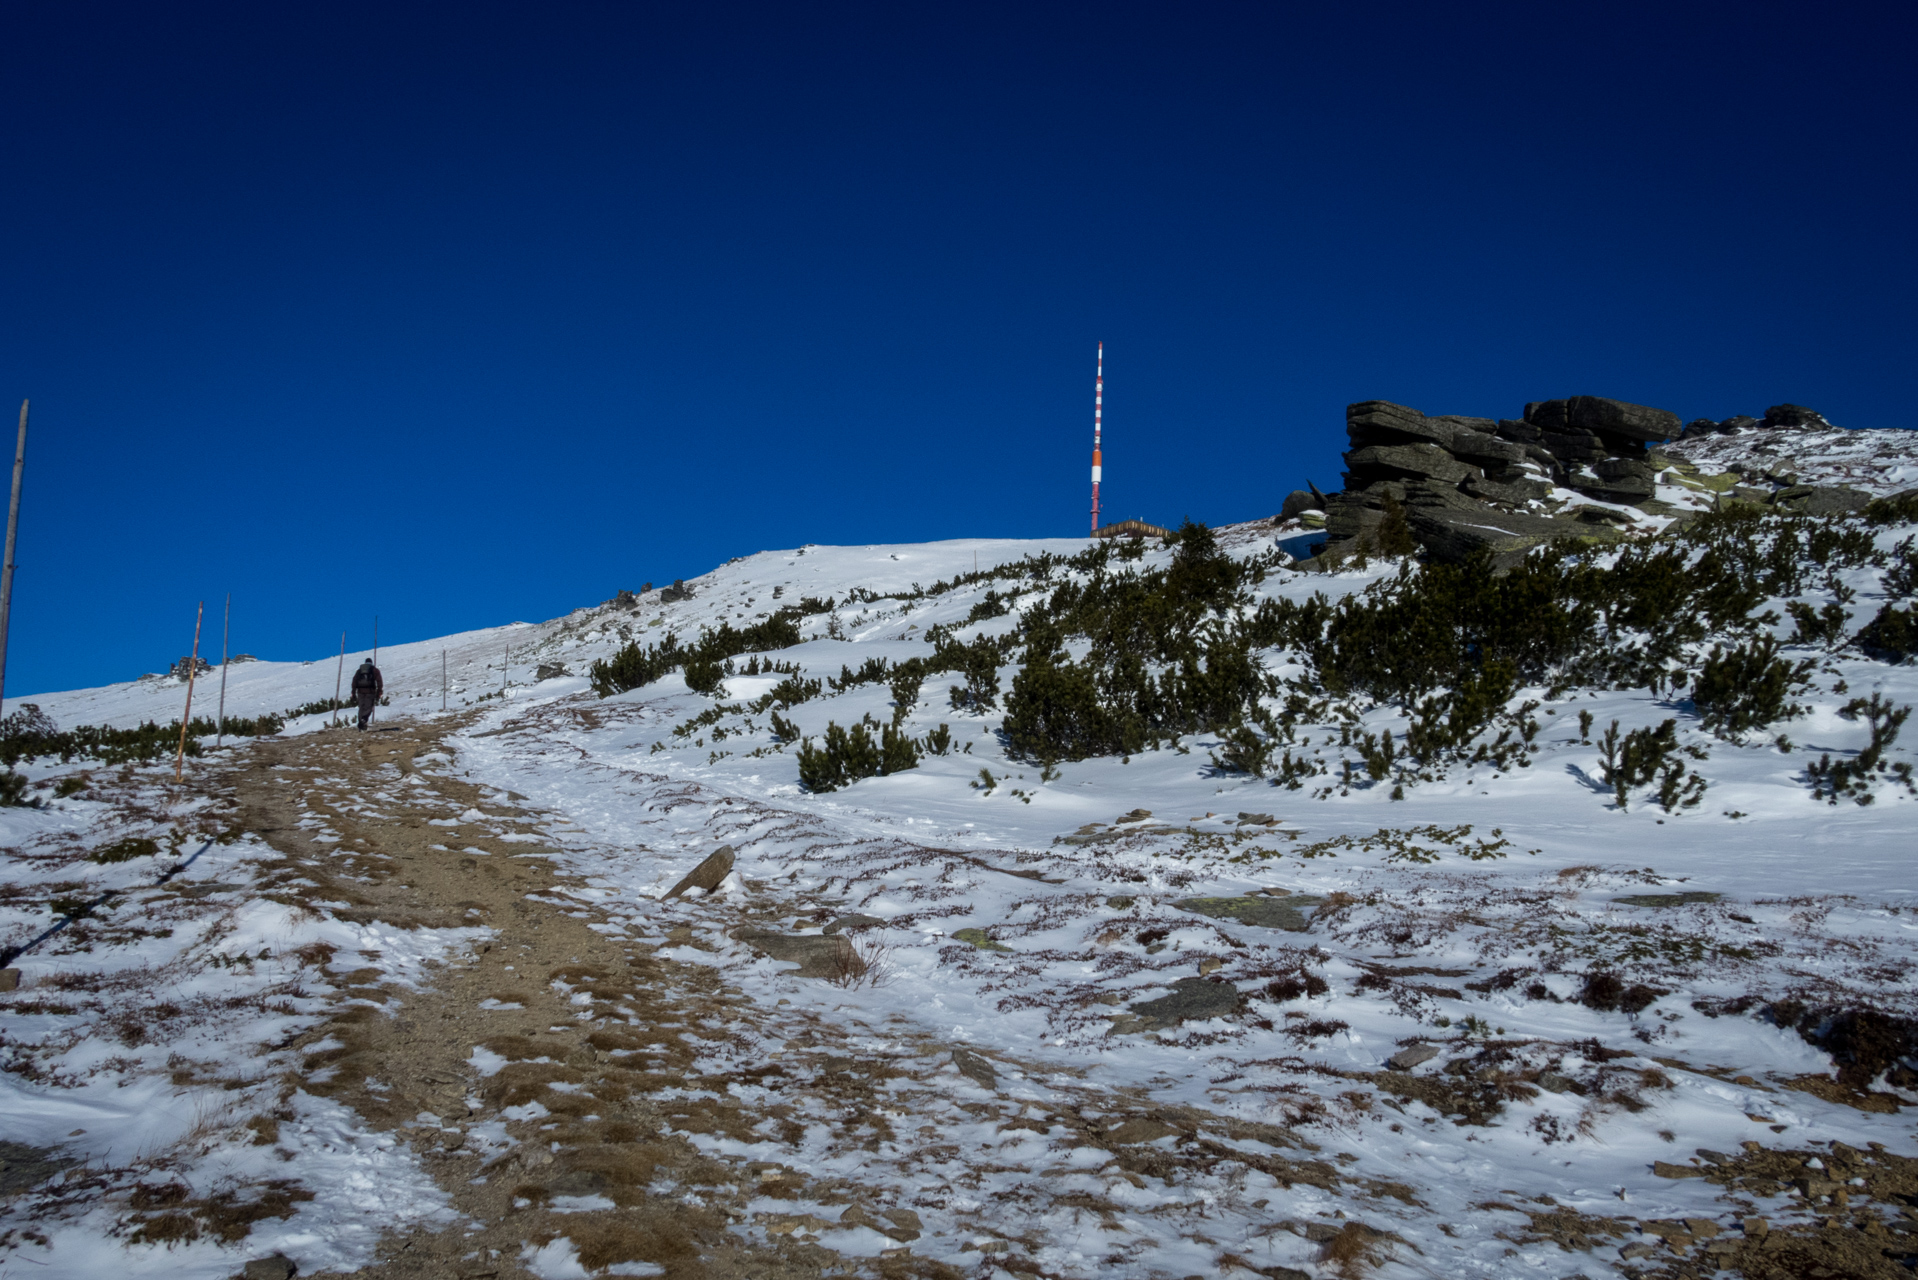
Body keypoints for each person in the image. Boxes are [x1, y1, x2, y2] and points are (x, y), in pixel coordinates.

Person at [351, 658, 384, 730]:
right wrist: (379, 691)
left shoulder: (359, 671)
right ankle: (364, 720)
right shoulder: (375, 670)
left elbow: (354, 681)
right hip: (370, 691)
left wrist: (353, 692)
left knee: (361, 708)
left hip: (360, 692)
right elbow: (379, 681)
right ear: (371, 663)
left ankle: (361, 726)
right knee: (368, 707)